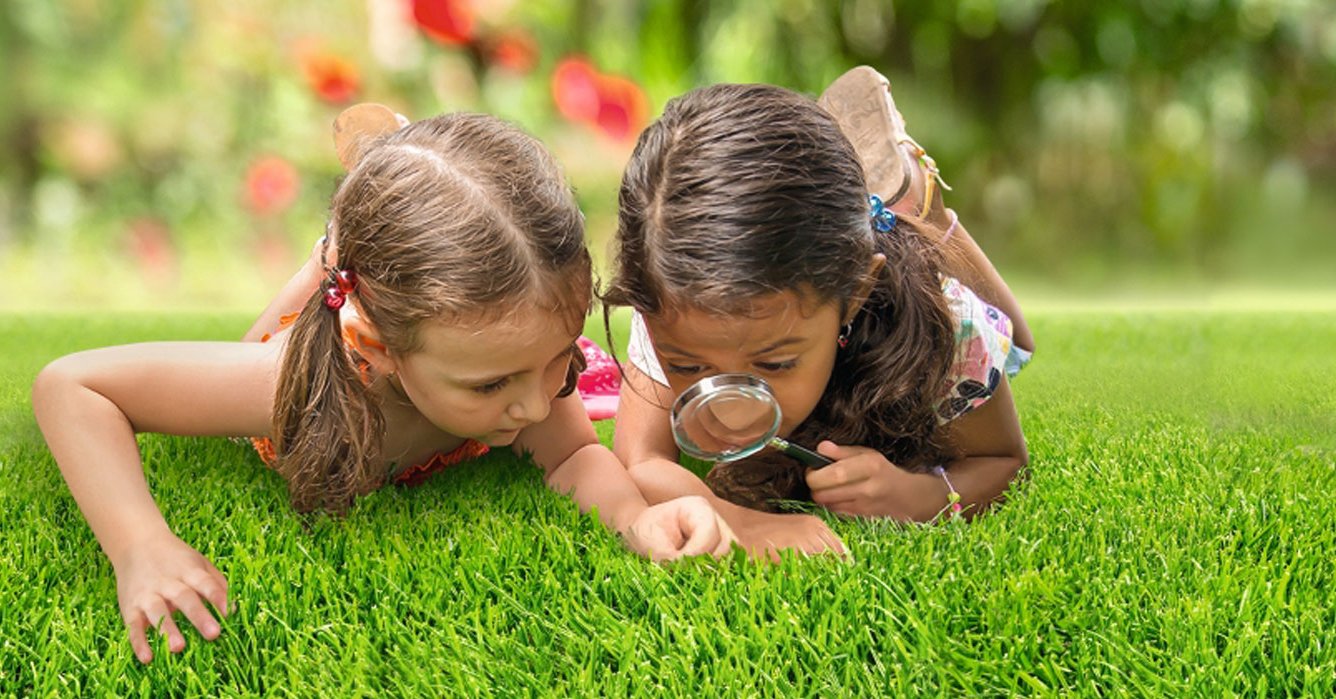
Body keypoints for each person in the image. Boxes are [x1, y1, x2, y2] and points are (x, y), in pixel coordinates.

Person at [30, 112, 736, 665]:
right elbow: (73, 386)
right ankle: (332, 250)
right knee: (279, 320)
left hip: (408, 319)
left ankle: (375, 194)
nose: (534, 404)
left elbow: (577, 456)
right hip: (323, 334)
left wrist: (633, 518)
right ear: (380, 346)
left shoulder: (528, 367)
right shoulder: (286, 386)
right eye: (493, 383)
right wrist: (140, 545)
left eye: (557, 357)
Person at [602, 73, 1035, 557]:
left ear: (855, 295)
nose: (731, 410)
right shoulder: (679, 294)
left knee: (1016, 343)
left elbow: (1004, 461)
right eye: (688, 366)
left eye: (775, 364)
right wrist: (740, 523)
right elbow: (639, 459)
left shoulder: (950, 326)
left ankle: (914, 193)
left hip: (911, 277)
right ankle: (883, 198)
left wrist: (923, 494)